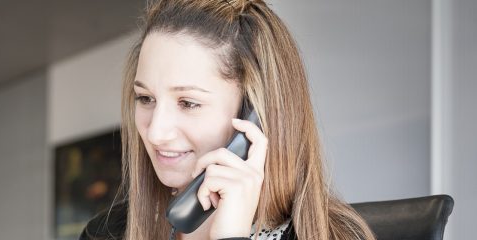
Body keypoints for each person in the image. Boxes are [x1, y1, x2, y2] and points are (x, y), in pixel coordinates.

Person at [81, 0, 375, 239]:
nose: (156, 133)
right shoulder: (107, 232)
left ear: (255, 116)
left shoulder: (335, 234)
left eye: (188, 103)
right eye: (146, 99)